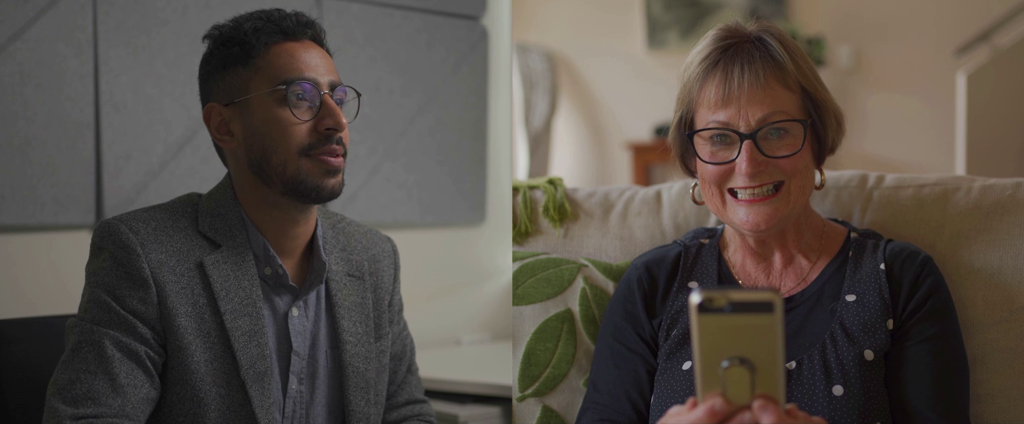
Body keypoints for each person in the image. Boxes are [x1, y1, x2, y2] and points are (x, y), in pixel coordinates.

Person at [43, 9, 434, 424]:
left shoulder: (373, 258)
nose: (335, 121)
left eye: (337, 98)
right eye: (300, 96)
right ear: (224, 126)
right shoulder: (143, 257)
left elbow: (405, 412)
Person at [576, 20, 969, 424]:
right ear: (692, 159)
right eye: (719, 137)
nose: (748, 165)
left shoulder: (901, 280)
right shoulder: (651, 284)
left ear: (817, 142)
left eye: (776, 131)